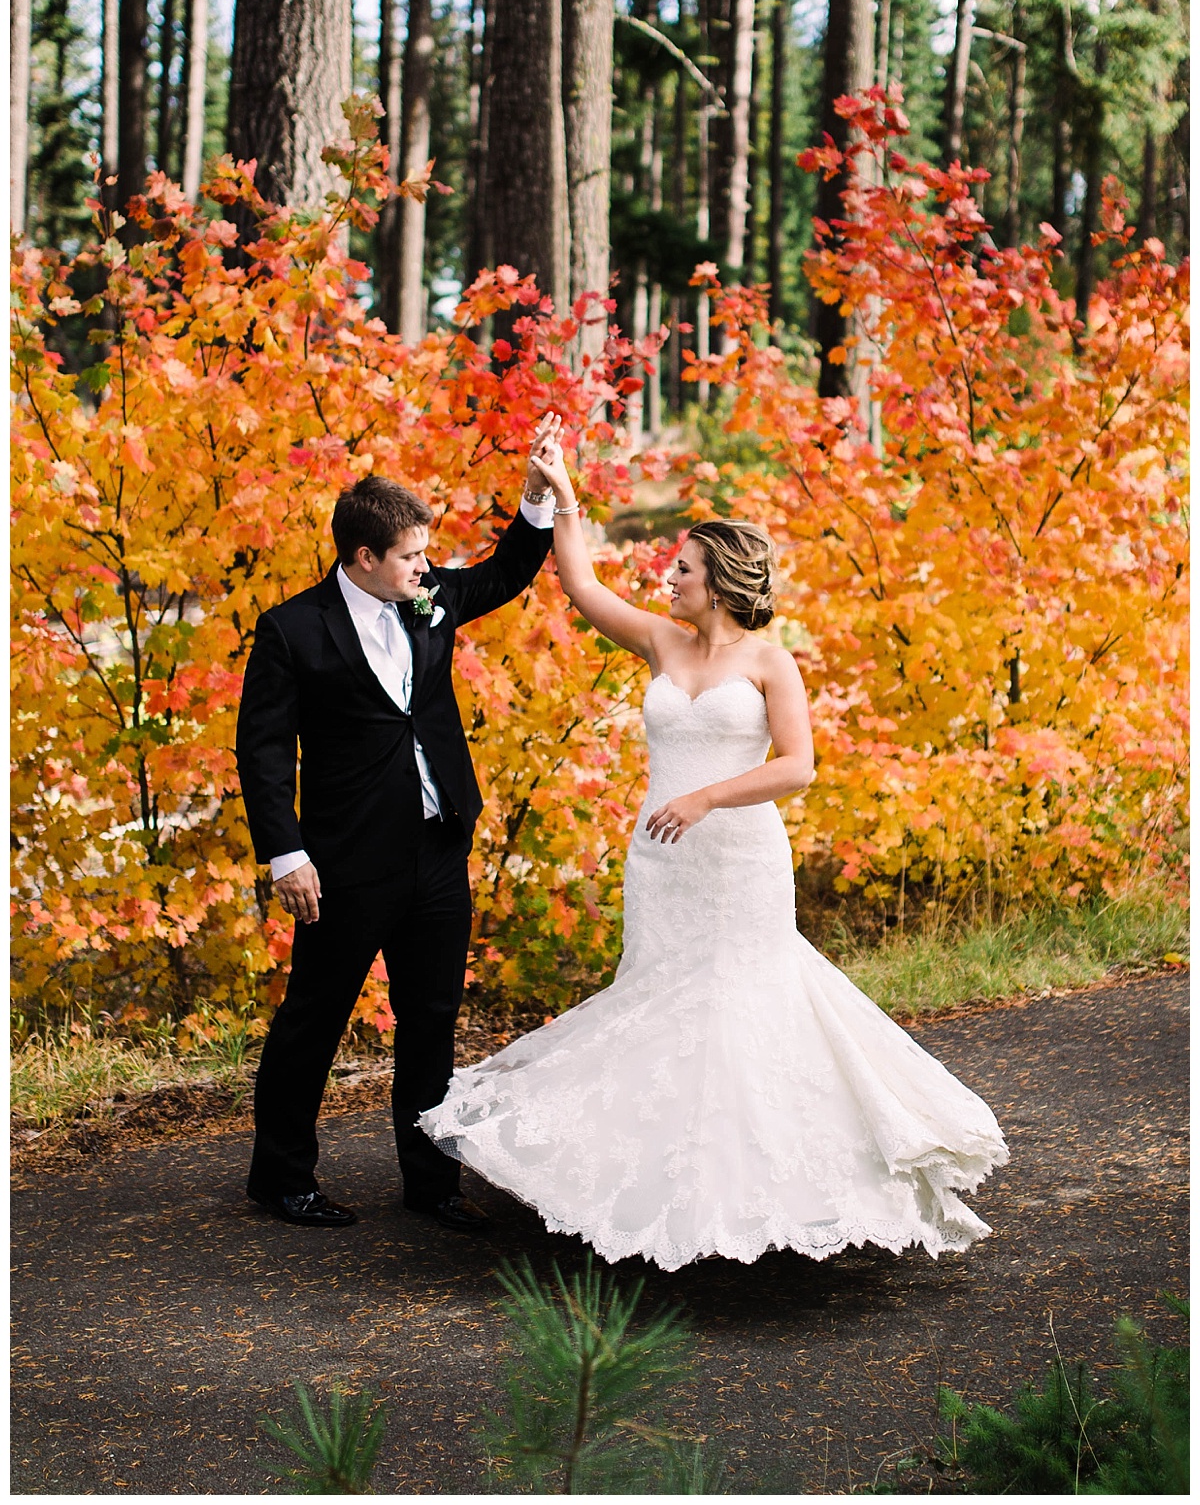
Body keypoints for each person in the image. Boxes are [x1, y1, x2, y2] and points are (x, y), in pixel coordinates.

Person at [421, 418, 1009, 1270]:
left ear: (721, 581)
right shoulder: (660, 641)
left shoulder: (771, 663)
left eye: (683, 569)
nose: (669, 577)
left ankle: (766, 1191)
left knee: (742, 1008)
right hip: (662, 862)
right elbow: (581, 584)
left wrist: (707, 796)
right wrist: (561, 494)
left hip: (739, 863)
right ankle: (658, 1187)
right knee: (657, 1004)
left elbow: (799, 767)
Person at [236, 418, 560, 1231]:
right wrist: (286, 854)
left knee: (432, 1019)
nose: (429, 567)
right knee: (315, 1015)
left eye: (427, 554)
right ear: (363, 559)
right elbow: (263, 752)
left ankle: (431, 1183)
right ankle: (280, 1178)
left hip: (437, 845)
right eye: (413, 556)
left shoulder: (431, 599)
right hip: (343, 861)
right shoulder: (292, 630)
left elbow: (507, 572)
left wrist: (536, 495)